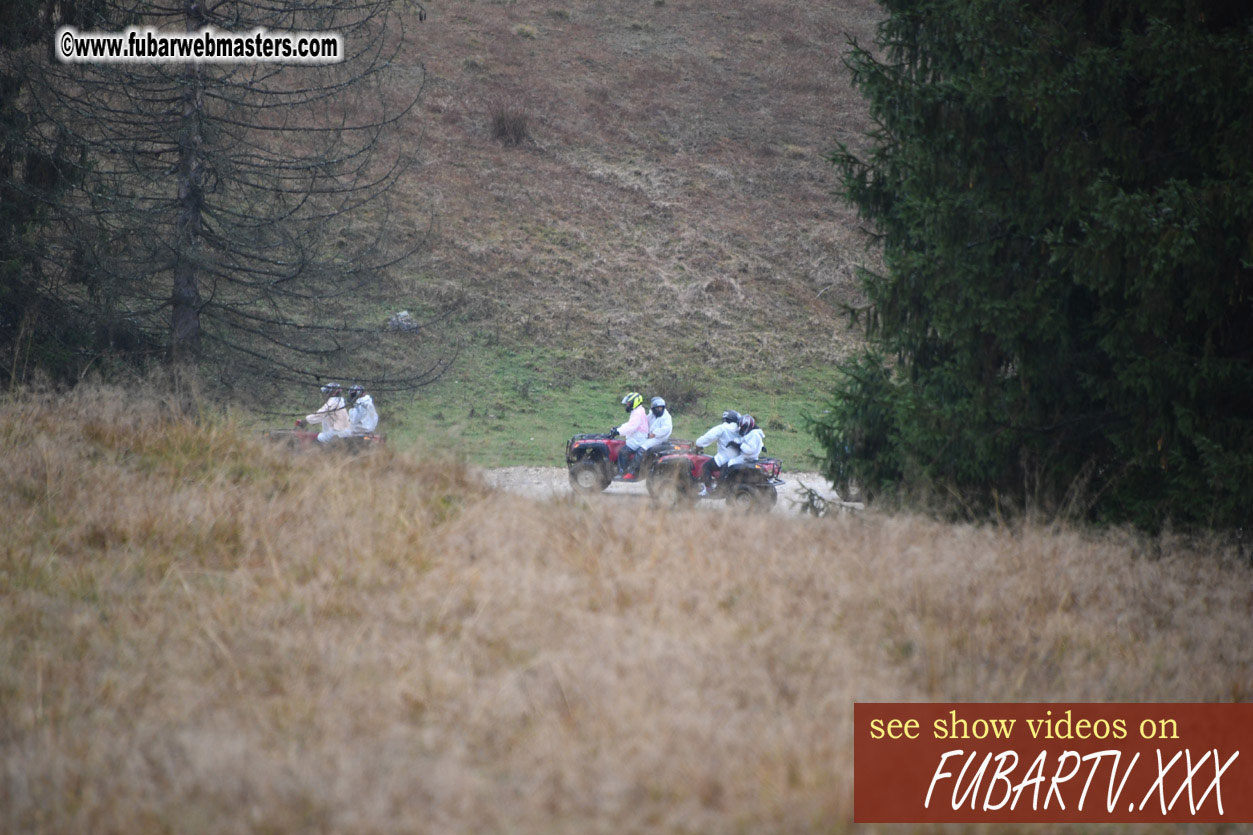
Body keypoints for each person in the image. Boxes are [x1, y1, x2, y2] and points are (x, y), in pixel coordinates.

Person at [694, 409, 742, 495]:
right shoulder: (740, 429)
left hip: (725, 457)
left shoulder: (722, 428)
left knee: (706, 466)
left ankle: (708, 490)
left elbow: (708, 438)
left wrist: (698, 444)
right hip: (738, 458)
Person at [612, 391, 649, 476]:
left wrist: (618, 431)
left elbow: (631, 427)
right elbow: (630, 424)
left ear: (634, 402)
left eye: (629, 403)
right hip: (636, 437)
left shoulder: (638, 413)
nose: (627, 405)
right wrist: (619, 428)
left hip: (638, 439)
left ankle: (622, 473)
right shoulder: (638, 411)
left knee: (623, 451)